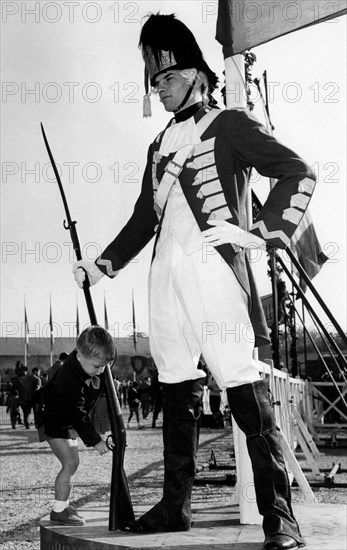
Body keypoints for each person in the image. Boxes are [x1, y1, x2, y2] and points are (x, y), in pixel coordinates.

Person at [73, 13, 316, 549]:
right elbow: (144, 218)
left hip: (214, 271)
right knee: (174, 386)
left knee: (244, 391)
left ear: (195, 74)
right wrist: (102, 264)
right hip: (165, 275)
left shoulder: (228, 123)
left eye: (165, 79)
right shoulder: (158, 147)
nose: (158, 91)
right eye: (153, 83)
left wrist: (268, 231)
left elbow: (299, 170)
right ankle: (174, 506)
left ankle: (282, 519)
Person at [39, 326, 115, 526]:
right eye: (97, 366)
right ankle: (59, 510)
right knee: (71, 463)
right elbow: (77, 413)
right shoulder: (69, 380)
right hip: (56, 420)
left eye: (104, 366)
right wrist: (96, 440)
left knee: (73, 463)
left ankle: (62, 506)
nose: (100, 371)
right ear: (79, 356)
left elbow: (102, 381)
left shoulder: (88, 362)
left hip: (66, 417)